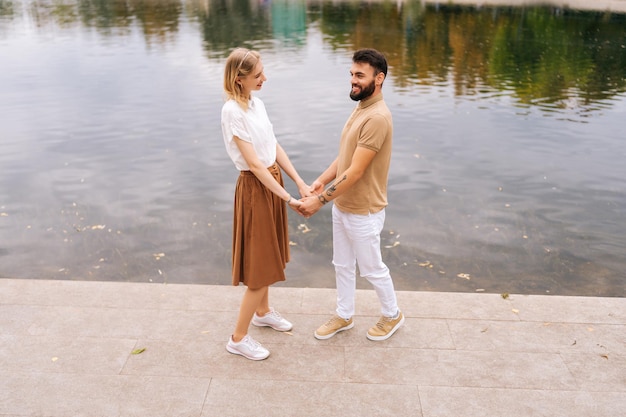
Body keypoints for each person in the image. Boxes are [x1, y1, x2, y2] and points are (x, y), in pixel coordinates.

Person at [298, 48, 403, 342]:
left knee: (371, 268)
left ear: (379, 78)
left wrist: (318, 201)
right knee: (342, 264)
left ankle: (392, 315)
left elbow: (356, 171)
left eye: (360, 75)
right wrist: (320, 182)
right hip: (342, 204)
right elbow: (345, 157)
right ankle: (344, 315)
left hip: (364, 210)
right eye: (352, 74)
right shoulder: (362, 107)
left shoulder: (378, 117)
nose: (353, 81)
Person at [220, 48, 310, 360]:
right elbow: (256, 166)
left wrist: (298, 181)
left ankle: (263, 313)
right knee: (259, 268)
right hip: (256, 188)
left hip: (273, 182)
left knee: (269, 256)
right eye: (258, 75)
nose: (264, 78)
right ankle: (238, 338)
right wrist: (288, 199)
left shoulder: (256, 104)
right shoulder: (232, 112)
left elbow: (272, 145)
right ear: (239, 79)